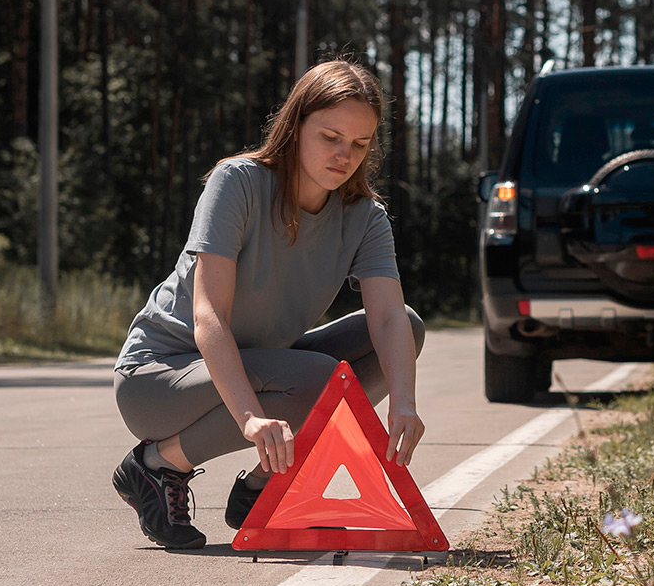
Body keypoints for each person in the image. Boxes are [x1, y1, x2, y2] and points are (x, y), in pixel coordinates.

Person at [110, 60, 427, 549]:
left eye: (359, 144)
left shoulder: (365, 217)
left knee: (407, 326)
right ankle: (157, 464)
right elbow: (208, 315)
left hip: (266, 367)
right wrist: (250, 420)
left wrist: (404, 403)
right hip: (162, 377)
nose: (344, 155)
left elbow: (386, 317)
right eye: (331, 136)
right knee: (321, 378)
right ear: (296, 125)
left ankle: (265, 482)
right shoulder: (237, 182)